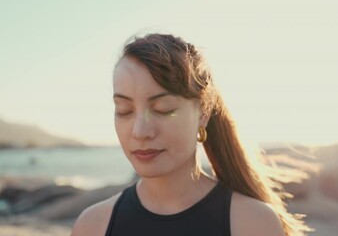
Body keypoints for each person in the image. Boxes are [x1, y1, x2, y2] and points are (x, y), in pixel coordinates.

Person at [71, 33, 310, 236]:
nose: (140, 131)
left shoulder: (252, 223)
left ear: (203, 112)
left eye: (163, 109)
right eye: (124, 111)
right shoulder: (92, 226)